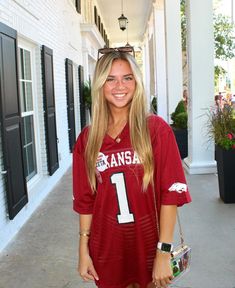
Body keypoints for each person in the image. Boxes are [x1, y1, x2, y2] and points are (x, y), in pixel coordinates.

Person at [73, 47, 191, 288]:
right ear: (100, 85)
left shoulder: (156, 130)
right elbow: (86, 200)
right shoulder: (88, 138)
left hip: (148, 245)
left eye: (127, 78)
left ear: (136, 82)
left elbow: (170, 195)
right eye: (110, 79)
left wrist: (163, 251)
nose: (120, 86)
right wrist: (83, 249)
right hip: (106, 247)